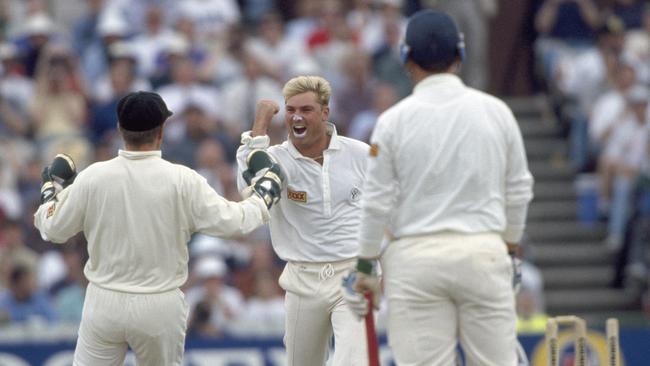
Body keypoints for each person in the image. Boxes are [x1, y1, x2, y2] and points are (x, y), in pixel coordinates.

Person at [33, 91, 283, 366]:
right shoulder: (182, 179)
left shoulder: (94, 176)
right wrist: (264, 195)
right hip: (159, 303)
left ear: (120, 129)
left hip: (104, 301)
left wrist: (51, 188)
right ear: (161, 131)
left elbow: (52, 229)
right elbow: (236, 222)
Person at [344, 10, 534, 365]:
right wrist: (509, 249)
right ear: (460, 56)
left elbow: (375, 201)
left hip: (416, 263)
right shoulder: (497, 111)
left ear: (405, 57)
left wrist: (366, 265)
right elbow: (519, 189)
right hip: (485, 254)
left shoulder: (391, 121)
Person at [235, 75, 369, 365]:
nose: (297, 117)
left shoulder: (359, 154)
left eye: (306, 110)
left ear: (324, 113)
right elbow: (249, 189)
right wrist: (259, 126)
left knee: (355, 359)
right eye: (291, 110)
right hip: (302, 278)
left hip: (352, 274)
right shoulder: (276, 159)